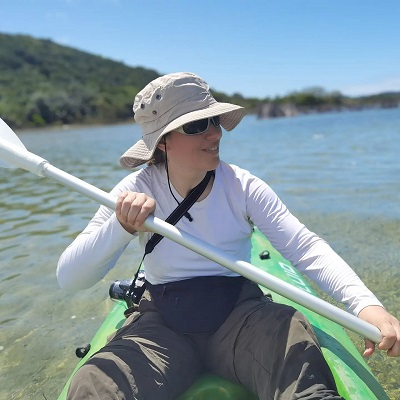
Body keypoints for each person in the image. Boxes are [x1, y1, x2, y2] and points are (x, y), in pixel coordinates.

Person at [57, 72, 400, 400]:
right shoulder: (134, 189)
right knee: (94, 382)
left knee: (289, 333)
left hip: (239, 315)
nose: (215, 134)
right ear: (162, 143)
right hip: (161, 323)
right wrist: (122, 226)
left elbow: (304, 247)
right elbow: (70, 278)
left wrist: (367, 307)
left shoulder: (242, 185)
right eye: (196, 125)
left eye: (215, 121)